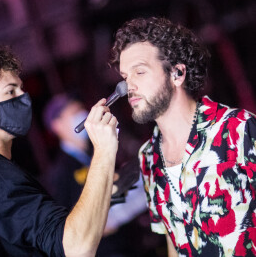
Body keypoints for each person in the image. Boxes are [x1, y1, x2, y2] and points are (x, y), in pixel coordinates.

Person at [110, 16, 256, 256]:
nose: (128, 87)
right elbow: (172, 238)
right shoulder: (147, 157)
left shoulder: (236, 128)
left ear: (177, 73)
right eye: (126, 77)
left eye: (140, 72)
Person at [0, 45, 119, 257]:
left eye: (21, 89)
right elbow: (76, 247)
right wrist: (104, 150)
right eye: (10, 91)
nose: (23, 97)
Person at [42, 93, 147, 256]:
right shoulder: (60, 173)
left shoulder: (96, 150)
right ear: (57, 125)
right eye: (74, 112)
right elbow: (65, 227)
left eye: (81, 110)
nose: (82, 116)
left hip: (128, 243)